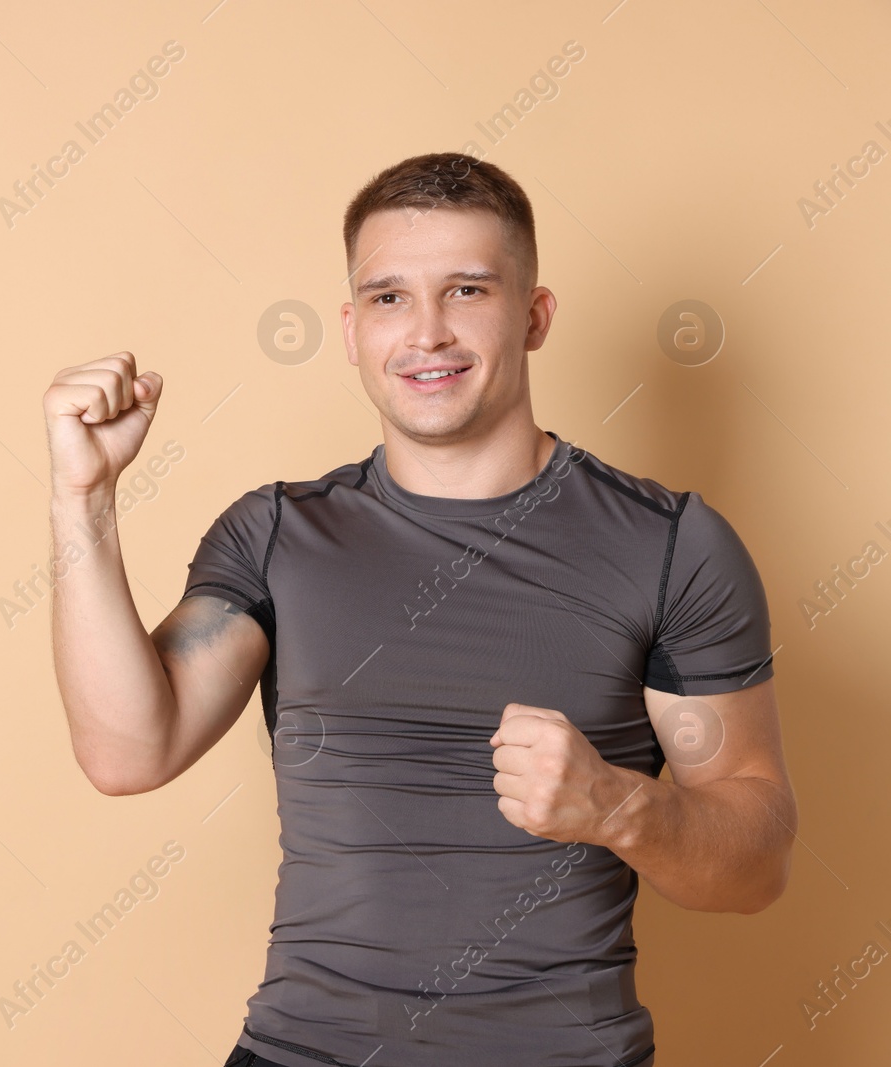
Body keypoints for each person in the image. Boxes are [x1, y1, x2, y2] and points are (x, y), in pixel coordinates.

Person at [40, 153, 797, 1067]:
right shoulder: (277, 534)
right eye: (391, 298)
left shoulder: (671, 544)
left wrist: (616, 807)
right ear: (353, 330)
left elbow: (755, 867)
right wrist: (82, 499)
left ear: (534, 314)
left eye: (467, 289)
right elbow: (128, 751)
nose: (427, 332)